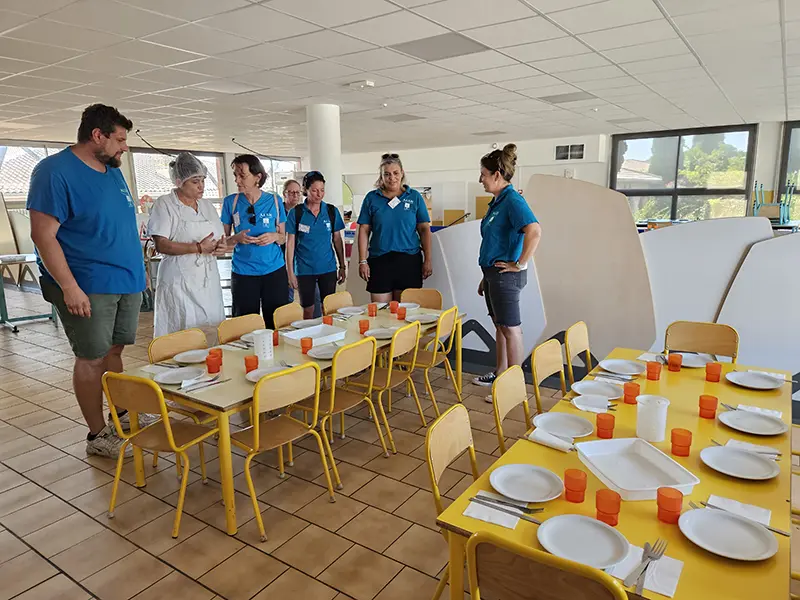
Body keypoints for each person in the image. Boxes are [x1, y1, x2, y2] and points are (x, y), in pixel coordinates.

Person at [28, 104, 148, 458]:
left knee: (114, 350)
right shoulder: (54, 172)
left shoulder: (112, 171)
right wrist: (69, 287)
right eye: (120, 140)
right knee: (91, 358)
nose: (124, 147)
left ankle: (122, 413)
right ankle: (98, 435)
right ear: (98, 135)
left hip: (125, 280)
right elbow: (43, 235)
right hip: (88, 284)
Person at [472, 144, 542, 391]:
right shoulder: (498, 201)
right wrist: (486, 276)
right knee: (501, 326)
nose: (480, 179)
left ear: (496, 175)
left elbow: (534, 231)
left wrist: (520, 264)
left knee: (511, 330)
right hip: (493, 274)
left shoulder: (513, 200)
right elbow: (495, 241)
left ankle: (513, 387)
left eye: (483, 174)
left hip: (506, 277)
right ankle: (501, 373)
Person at [147, 152, 227, 337]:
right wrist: (197, 248)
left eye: (203, 180)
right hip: (179, 280)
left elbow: (218, 239)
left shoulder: (206, 206)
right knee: (182, 329)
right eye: (195, 181)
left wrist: (223, 246)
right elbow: (162, 245)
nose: (201, 186)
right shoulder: (165, 204)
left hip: (208, 279)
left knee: (211, 329)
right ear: (179, 181)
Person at [220, 154, 287, 329]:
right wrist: (236, 238)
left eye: (242, 176)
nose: (237, 180)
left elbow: (283, 236)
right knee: (245, 325)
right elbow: (222, 243)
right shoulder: (230, 202)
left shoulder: (274, 201)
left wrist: (274, 236)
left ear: (258, 177)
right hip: (243, 273)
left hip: (273, 270)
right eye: (235, 175)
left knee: (276, 322)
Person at [357, 153, 432, 302]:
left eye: (395, 173)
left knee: (406, 314)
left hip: (409, 260)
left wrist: (428, 259)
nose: (392, 178)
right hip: (380, 260)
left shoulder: (414, 197)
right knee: (381, 312)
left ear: (402, 173)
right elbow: (364, 230)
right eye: (387, 174)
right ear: (381, 176)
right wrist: (362, 261)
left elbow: (424, 229)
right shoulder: (372, 198)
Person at [285, 171, 346, 319]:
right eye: (314, 190)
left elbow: (337, 240)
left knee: (329, 308)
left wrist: (343, 266)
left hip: (328, 267)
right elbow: (290, 243)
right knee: (308, 309)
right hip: (304, 269)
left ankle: (329, 336)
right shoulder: (296, 213)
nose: (319, 194)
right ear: (306, 190)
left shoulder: (331, 211)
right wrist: (290, 272)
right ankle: (310, 337)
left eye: (322, 190)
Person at [281, 179, 303, 304]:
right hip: (281, 259)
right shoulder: (278, 213)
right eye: (291, 192)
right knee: (286, 297)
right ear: (284, 194)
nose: (295, 195)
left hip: (300, 260)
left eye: (297, 193)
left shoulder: (303, 212)